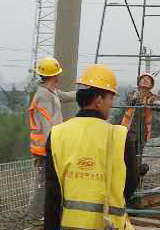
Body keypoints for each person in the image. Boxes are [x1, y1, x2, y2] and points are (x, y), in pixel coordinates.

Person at [44, 64, 137, 230]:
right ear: (99, 100)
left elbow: (52, 194)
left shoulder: (57, 135)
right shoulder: (120, 136)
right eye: (111, 98)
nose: (111, 103)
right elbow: (131, 183)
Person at [27, 56, 77, 219]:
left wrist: (85, 92)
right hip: (45, 147)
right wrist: (54, 147)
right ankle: (36, 216)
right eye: (57, 74)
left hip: (50, 145)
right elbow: (46, 125)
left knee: (50, 180)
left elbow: (67, 96)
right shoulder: (43, 96)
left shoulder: (51, 91)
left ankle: (43, 214)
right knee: (44, 182)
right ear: (54, 75)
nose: (59, 76)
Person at [119, 73, 160, 206]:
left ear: (151, 85)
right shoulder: (133, 93)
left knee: (136, 162)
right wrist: (140, 98)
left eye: (148, 80)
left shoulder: (152, 97)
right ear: (138, 82)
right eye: (143, 79)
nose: (145, 81)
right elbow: (131, 100)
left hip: (141, 134)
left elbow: (156, 104)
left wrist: (155, 102)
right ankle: (124, 192)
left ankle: (134, 194)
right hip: (127, 131)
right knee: (125, 161)